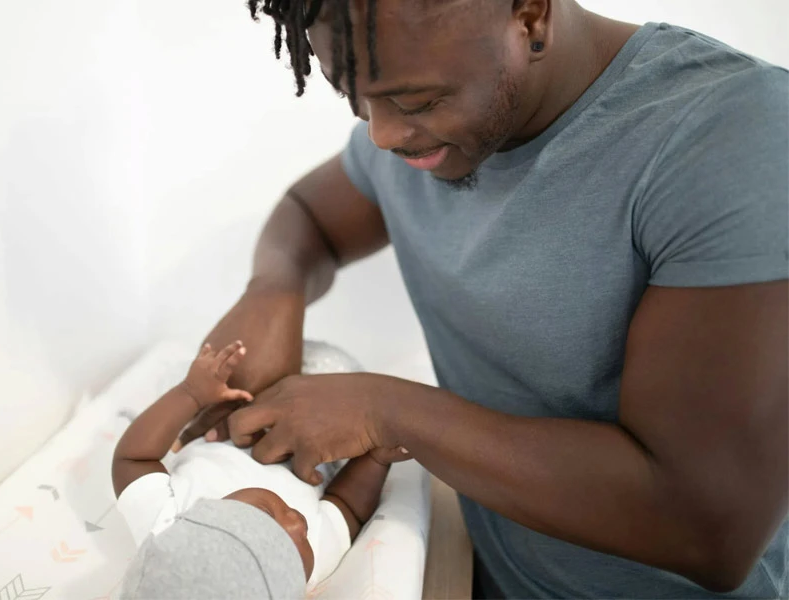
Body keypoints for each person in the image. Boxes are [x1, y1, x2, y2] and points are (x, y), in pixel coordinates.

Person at [173, 0, 789, 598]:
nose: (383, 134)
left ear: (530, 14)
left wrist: (381, 410)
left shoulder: (732, 136)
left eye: (415, 100)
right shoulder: (416, 127)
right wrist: (274, 290)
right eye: (356, 99)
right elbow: (311, 217)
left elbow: (707, 530)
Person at [113, 341, 405, 599]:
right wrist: (377, 459)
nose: (298, 524)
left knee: (241, 367)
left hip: (217, 414)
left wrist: (191, 393)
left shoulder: (167, 522)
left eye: (267, 516)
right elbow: (347, 507)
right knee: (337, 369)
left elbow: (133, 458)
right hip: (317, 432)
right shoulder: (312, 564)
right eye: (297, 554)